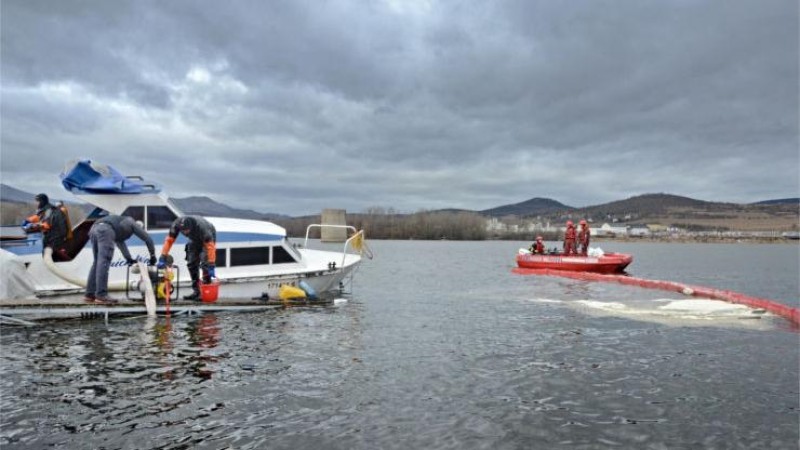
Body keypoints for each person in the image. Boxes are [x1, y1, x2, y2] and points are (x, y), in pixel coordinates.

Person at [85, 215, 157, 304]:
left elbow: (121, 244)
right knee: (104, 262)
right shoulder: (131, 222)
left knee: (97, 262)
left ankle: (89, 294)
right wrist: (153, 255)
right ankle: (101, 295)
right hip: (105, 230)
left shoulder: (120, 226)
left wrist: (129, 259)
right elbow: (148, 239)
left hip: (94, 229)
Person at [159, 216, 217, 301]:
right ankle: (196, 292)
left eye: (186, 230)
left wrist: (211, 264)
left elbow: (210, 247)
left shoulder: (202, 228)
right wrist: (163, 256)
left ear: (191, 227)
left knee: (205, 264)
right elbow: (169, 240)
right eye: (183, 230)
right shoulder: (176, 225)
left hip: (208, 236)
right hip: (194, 239)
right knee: (191, 263)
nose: (185, 232)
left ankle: (206, 291)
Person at [22, 193, 70, 260]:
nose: (36, 204)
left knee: (51, 255)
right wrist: (28, 220)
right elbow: (38, 217)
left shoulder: (49, 210)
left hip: (56, 237)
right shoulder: (46, 209)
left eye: (38, 201)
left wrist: (34, 226)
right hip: (52, 235)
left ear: (42, 202)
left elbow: (47, 224)